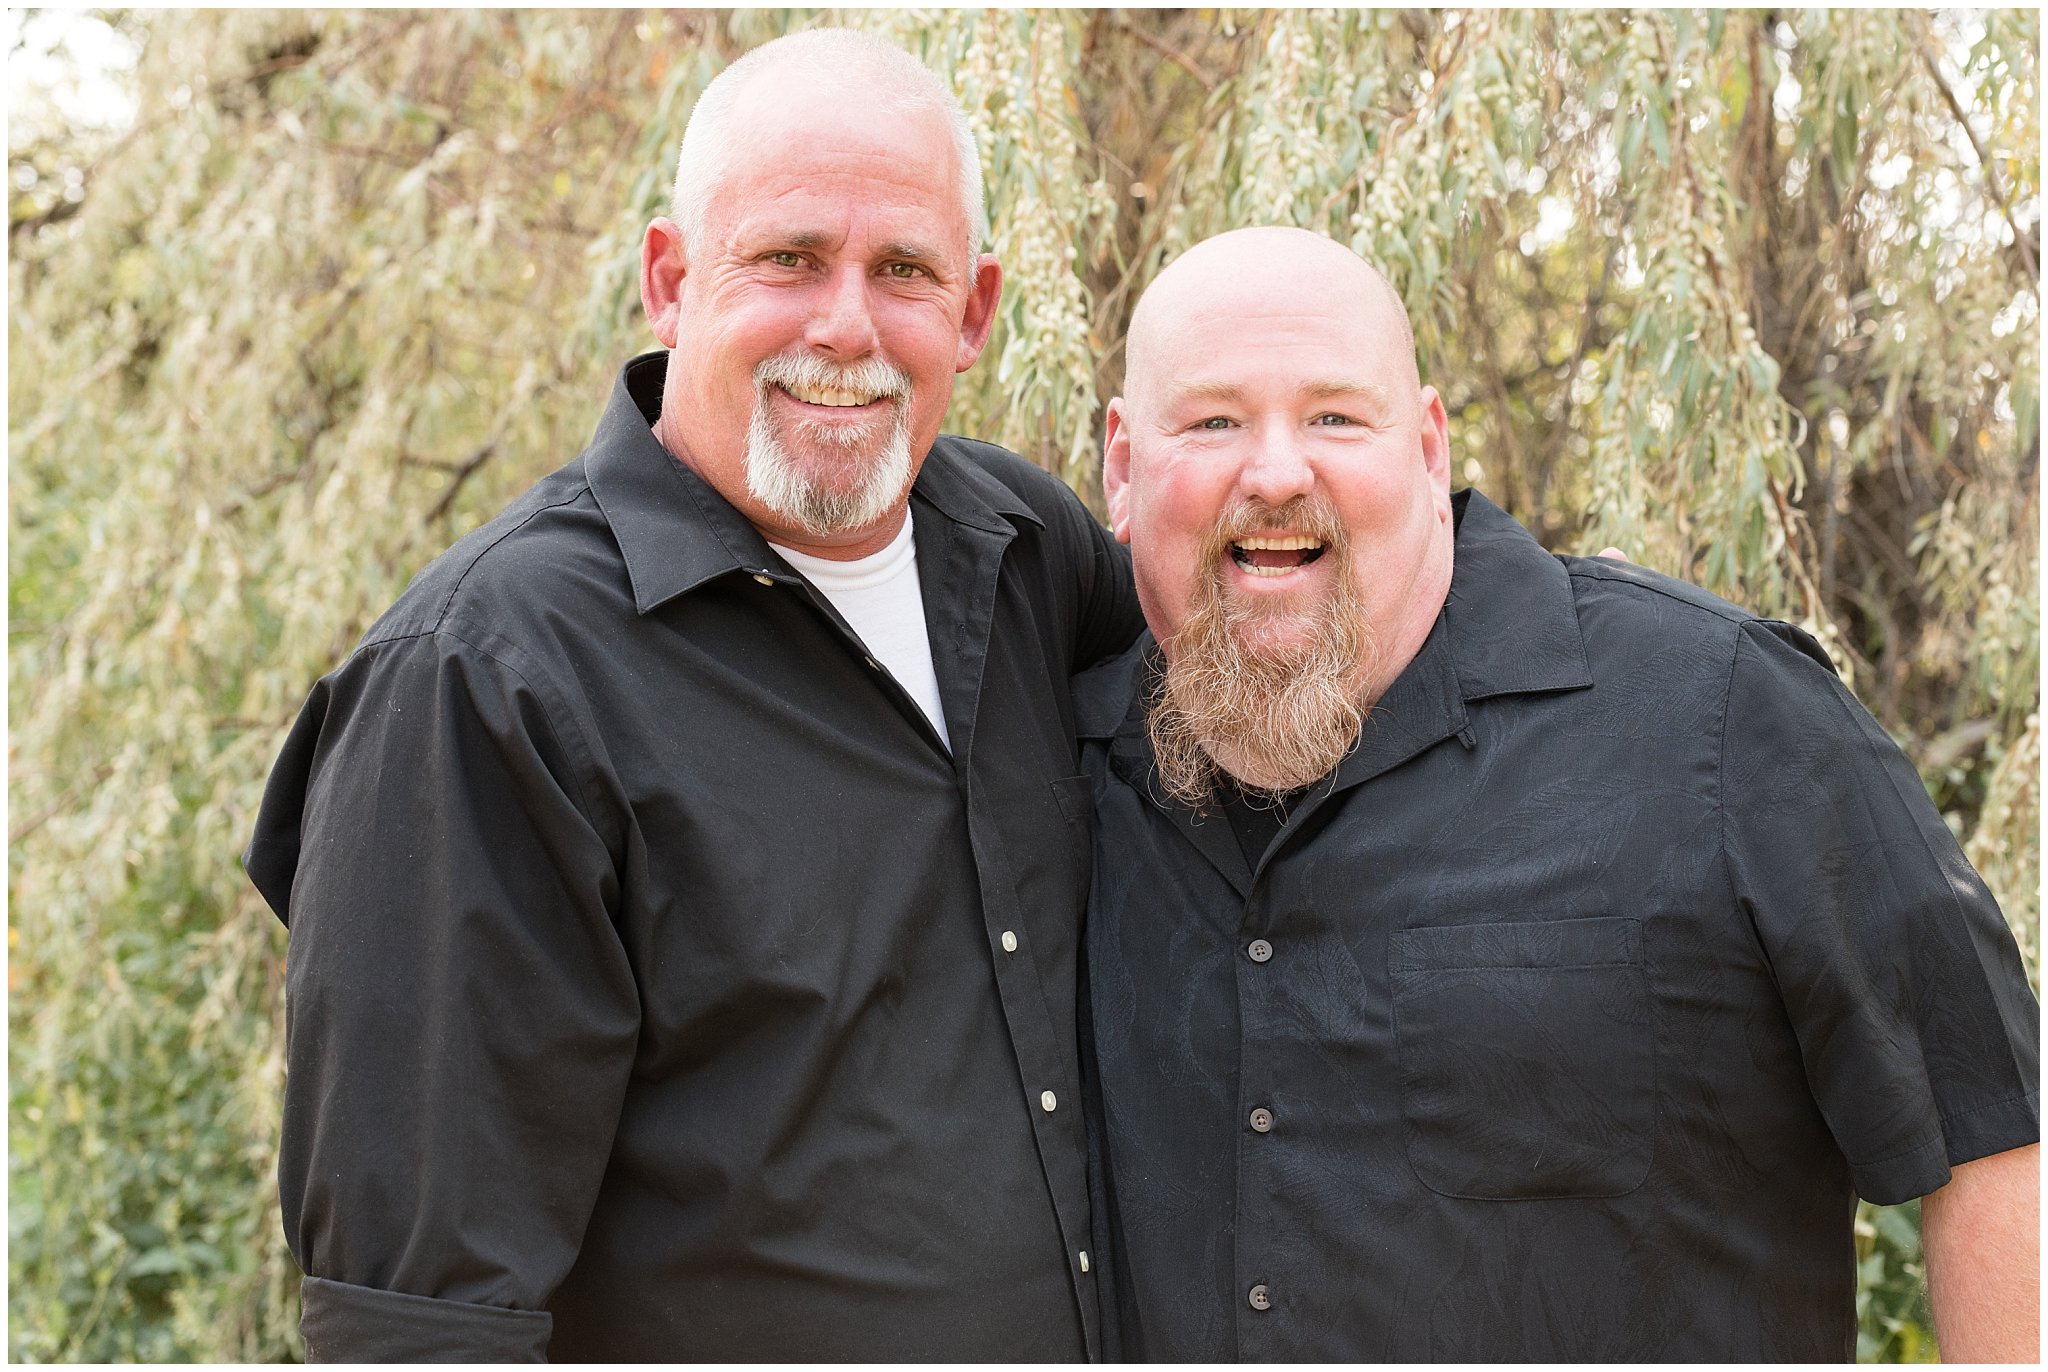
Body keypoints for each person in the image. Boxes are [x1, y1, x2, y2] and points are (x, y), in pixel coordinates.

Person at [245, 29, 1139, 1361]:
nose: (846, 323)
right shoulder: (486, 684)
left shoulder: (1030, 555)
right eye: (787, 259)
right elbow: (418, 1318)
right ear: (670, 279)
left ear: (976, 309)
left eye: (903, 270)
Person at [1077, 226, 2040, 1362]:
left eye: (1336, 416)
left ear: (1427, 452)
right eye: (1212, 421)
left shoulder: (1721, 716)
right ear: (1123, 469)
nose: (1278, 471)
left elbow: (1995, 1135)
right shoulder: (1051, 768)